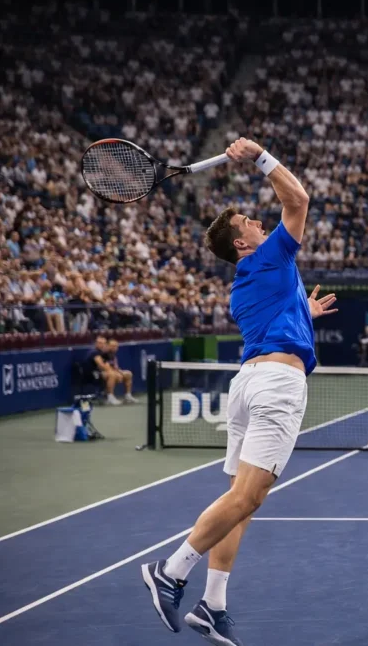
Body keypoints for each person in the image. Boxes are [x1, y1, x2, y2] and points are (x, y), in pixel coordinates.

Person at [141, 138, 337, 645]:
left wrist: (304, 313)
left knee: (240, 500)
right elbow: (298, 201)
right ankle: (172, 571)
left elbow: (279, 324)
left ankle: (213, 605)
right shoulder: (269, 258)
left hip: (249, 384)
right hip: (275, 387)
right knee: (248, 496)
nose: (259, 220)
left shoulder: (252, 280)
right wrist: (261, 157)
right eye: (250, 222)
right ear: (244, 245)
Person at [83, 336, 136, 405]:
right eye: (99, 343)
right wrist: (116, 374)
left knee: (128, 374)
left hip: (102, 373)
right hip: (92, 374)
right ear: (96, 343)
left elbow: (114, 367)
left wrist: (119, 373)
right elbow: (102, 366)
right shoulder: (94, 352)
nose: (102, 345)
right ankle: (110, 397)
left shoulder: (108, 354)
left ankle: (128, 396)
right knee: (112, 375)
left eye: (103, 343)